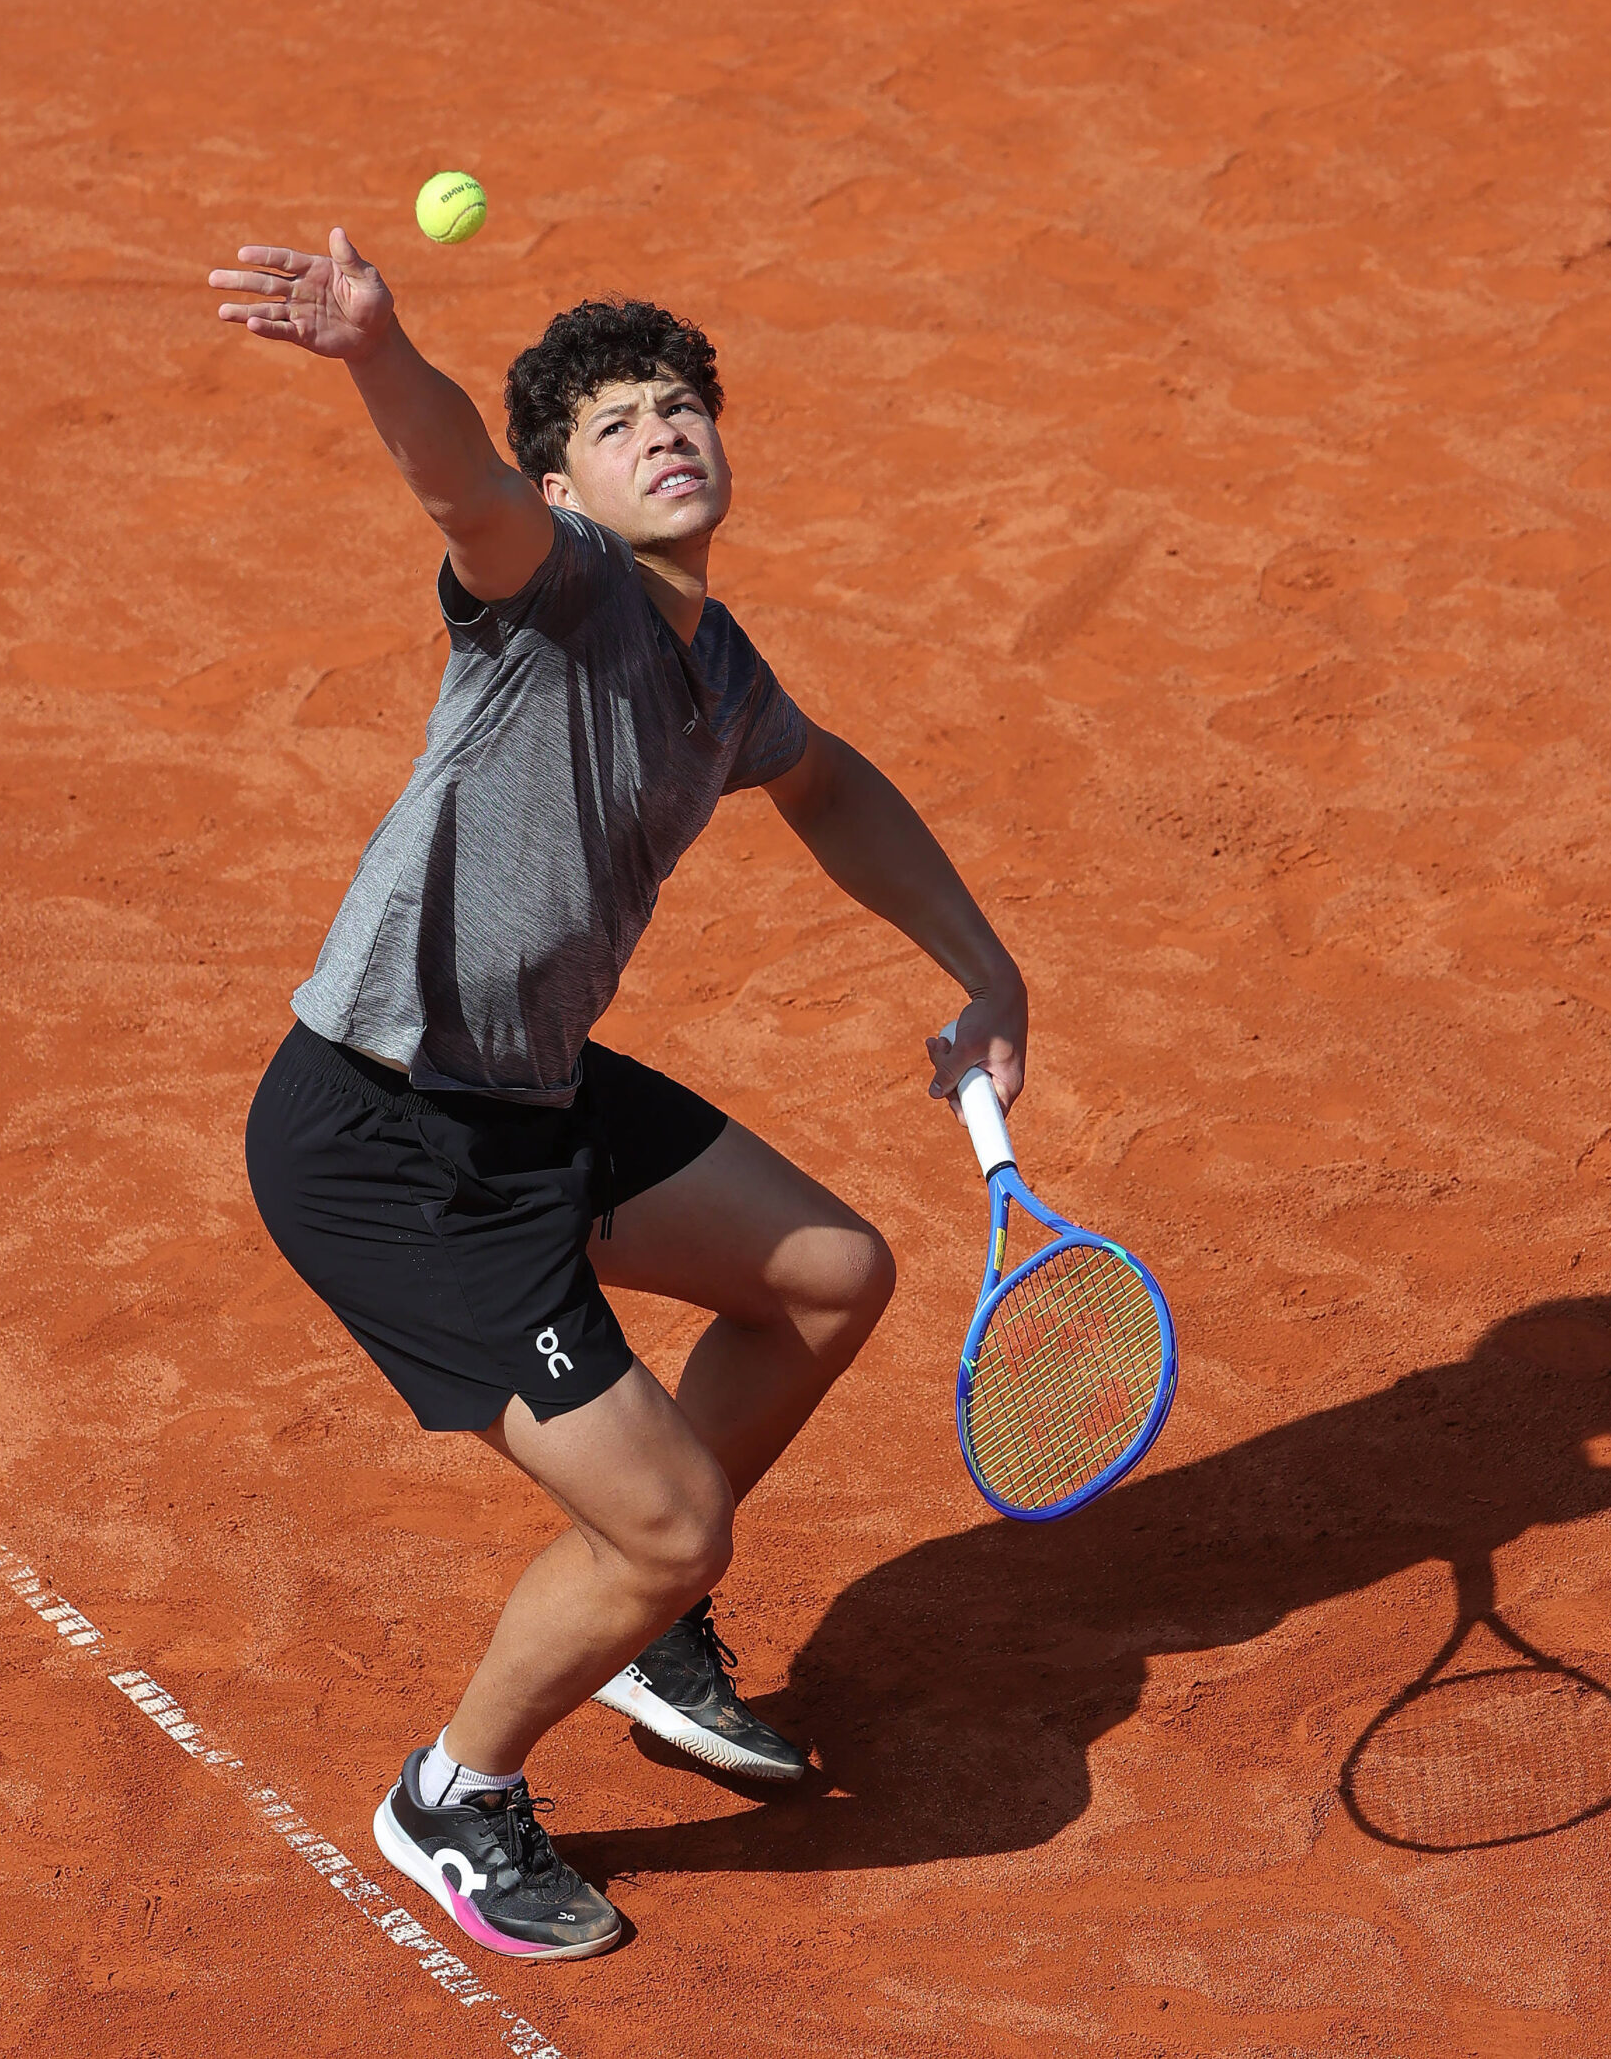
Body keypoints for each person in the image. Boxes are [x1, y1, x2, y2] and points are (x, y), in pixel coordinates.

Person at [208, 230, 1028, 1962]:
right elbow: (456, 487)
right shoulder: (555, 586)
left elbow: (832, 788)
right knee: (667, 1519)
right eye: (617, 422)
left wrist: (987, 972)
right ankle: (457, 1796)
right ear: (566, 478)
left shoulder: (717, 670)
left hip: (533, 1098)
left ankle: (650, 1631)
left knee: (830, 1273)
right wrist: (378, 355)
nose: (666, 432)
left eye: (681, 405)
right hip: (388, 1137)